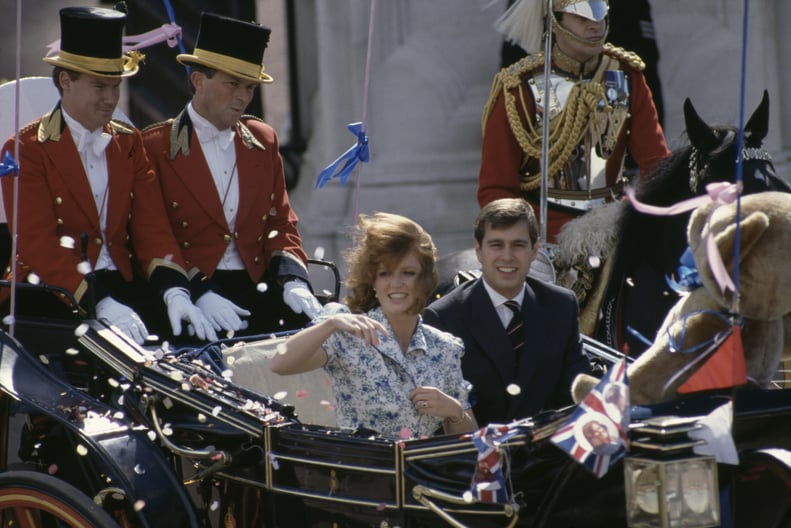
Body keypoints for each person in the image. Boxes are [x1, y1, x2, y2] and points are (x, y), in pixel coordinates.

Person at [0, 6, 216, 344]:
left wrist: (176, 291)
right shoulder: (24, 148)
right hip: (50, 290)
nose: (110, 99)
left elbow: (152, 225)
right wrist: (99, 302)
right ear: (66, 81)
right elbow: (36, 243)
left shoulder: (128, 143)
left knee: (196, 343)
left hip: (121, 281)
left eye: (115, 87)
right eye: (100, 87)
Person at [143, 12, 320, 337]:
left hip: (260, 285)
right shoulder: (155, 146)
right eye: (232, 84)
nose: (243, 96)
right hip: (192, 290)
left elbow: (279, 222)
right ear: (199, 81)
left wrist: (294, 280)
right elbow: (153, 234)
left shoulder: (263, 139)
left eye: (250, 87)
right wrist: (197, 292)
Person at [478, 0, 670, 243]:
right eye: (582, 18)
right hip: (542, 232)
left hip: (615, 225)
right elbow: (496, 187)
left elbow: (657, 167)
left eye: (600, 16)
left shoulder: (628, 77)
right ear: (554, 21)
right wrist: (521, 239)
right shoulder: (518, 88)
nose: (595, 26)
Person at [271, 212, 477, 439]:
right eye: (385, 273)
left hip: (422, 471)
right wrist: (330, 324)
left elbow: (468, 444)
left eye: (408, 273)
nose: (396, 283)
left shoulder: (445, 347)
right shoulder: (348, 332)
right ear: (373, 280)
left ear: (424, 279)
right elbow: (280, 363)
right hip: (363, 468)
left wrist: (455, 412)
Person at [423, 198, 591, 426]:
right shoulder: (444, 317)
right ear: (478, 250)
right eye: (496, 245)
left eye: (518, 245)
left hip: (547, 451)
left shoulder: (561, 305)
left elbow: (575, 388)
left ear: (535, 250)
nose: (508, 256)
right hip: (477, 454)